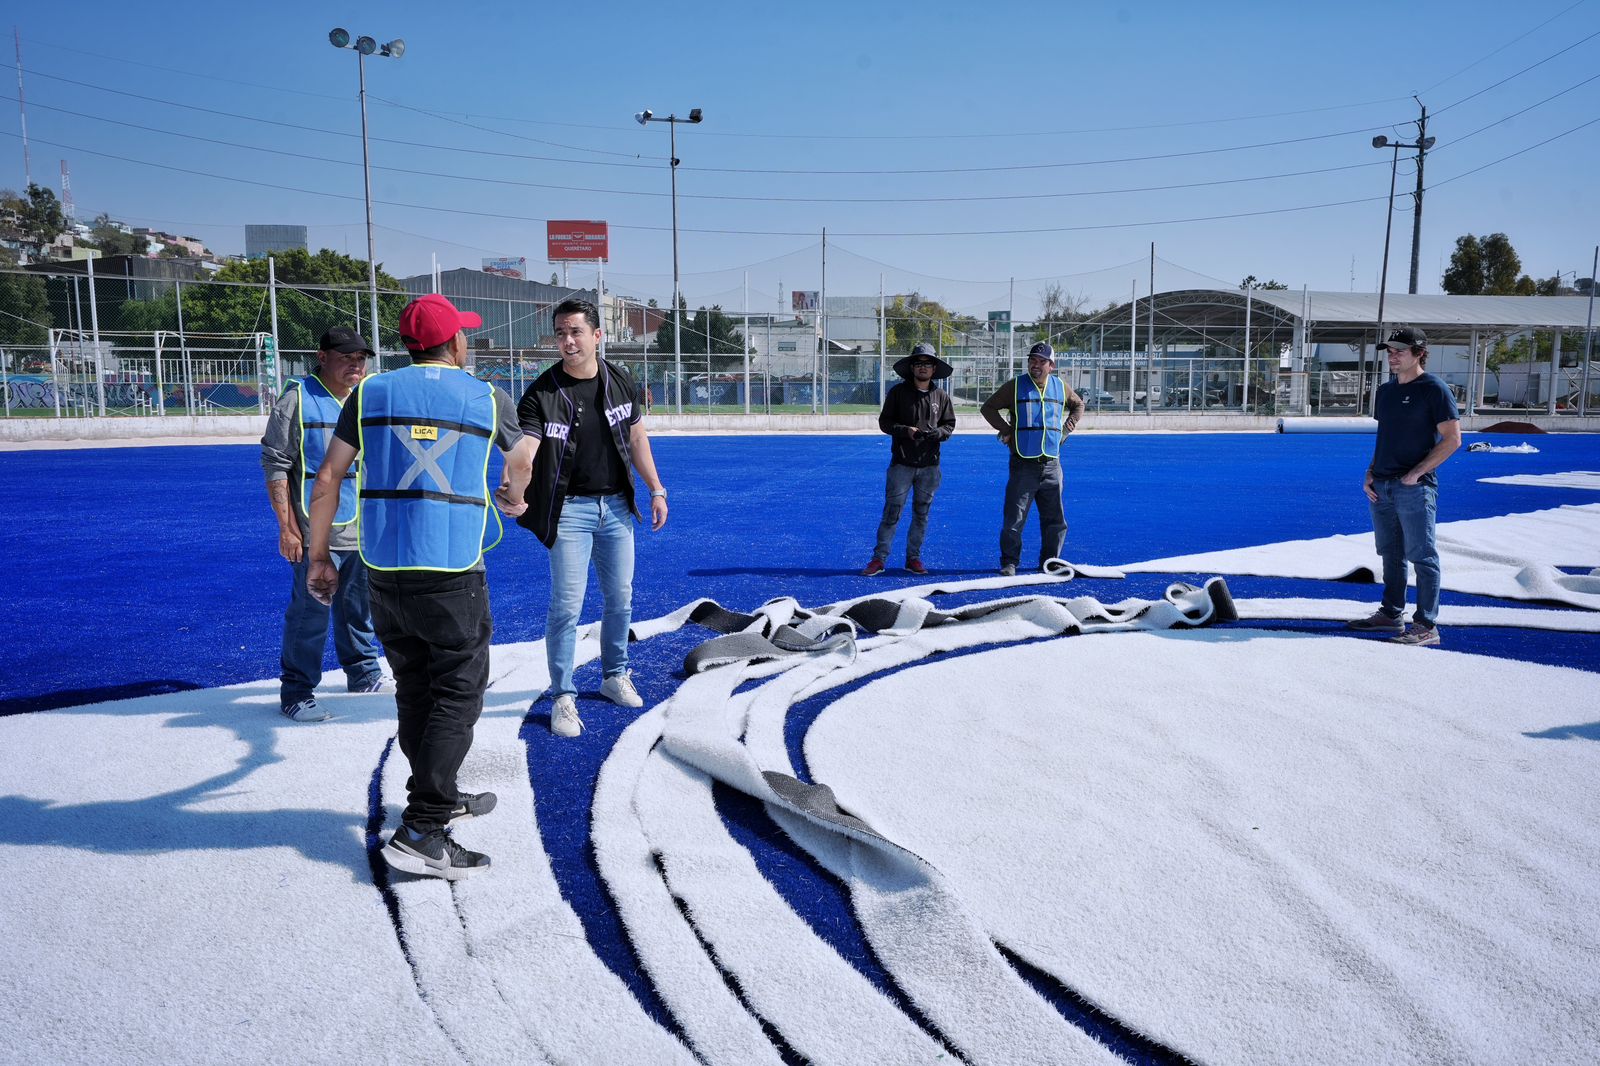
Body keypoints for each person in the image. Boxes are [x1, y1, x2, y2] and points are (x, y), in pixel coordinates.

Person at [307, 294, 534, 881]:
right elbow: (524, 457)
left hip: (383, 565)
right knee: (458, 694)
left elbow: (329, 476)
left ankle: (439, 793)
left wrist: (318, 556)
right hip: (452, 569)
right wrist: (513, 494)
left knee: (415, 688)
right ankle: (425, 827)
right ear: (454, 342)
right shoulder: (485, 396)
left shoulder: (370, 392)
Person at [515, 298, 669, 739]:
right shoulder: (542, 393)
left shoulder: (620, 379)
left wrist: (656, 488)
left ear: (597, 336)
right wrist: (516, 484)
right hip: (569, 513)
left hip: (617, 506)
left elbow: (636, 436)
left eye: (575, 332)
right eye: (560, 333)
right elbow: (527, 447)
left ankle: (614, 673)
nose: (567, 341)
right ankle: (563, 694)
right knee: (566, 606)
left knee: (620, 597)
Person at [260, 326, 384, 723]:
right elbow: (277, 464)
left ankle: (363, 674)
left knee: (358, 608)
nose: (356, 364)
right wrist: (287, 528)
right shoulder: (297, 400)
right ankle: (296, 691)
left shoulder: (367, 397)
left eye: (361, 357)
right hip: (316, 533)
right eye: (346, 357)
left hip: (360, 530)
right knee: (310, 612)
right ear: (322, 356)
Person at [1348, 326, 1461, 647]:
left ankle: (1426, 625)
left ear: (1419, 352)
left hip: (1414, 487)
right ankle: (1391, 613)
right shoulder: (1385, 392)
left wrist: (1416, 473)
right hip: (1380, 485)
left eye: (1400, 350)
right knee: (1390, 554)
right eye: (1390, 351)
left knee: (1422, 556)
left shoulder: (1434, 389)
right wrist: (1371, 471)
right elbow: (1388, 438)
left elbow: (1453, 440)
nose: (1392, 356)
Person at [980, 341, 1085, 576]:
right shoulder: (1015, 386)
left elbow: (1078, 404)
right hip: (1023, 465)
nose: (1036, 365)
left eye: (1041, 361)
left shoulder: (1061, 387)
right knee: (1014, 518)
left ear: (1052, 365)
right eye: (1032, 360)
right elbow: (988, 407)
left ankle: (1051, 561)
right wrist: (1006, 430)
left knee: (1055, 519)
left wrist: (1068, 427)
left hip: (1052, 464)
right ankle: (1009, 562)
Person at [862, 341, 956, 576]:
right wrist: (906, 431)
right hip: (901, 465)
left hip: (930, 466)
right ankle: (879, 558)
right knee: (892, 511)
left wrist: (939, 433)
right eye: (918, 363)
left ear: (934, 369)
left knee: (922, 513)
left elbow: (950, 425)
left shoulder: (941, 396)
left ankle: (913, 558)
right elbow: (885, 423)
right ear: (911, 367)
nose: (923, 367)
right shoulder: (898, 392)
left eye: (927, 364)